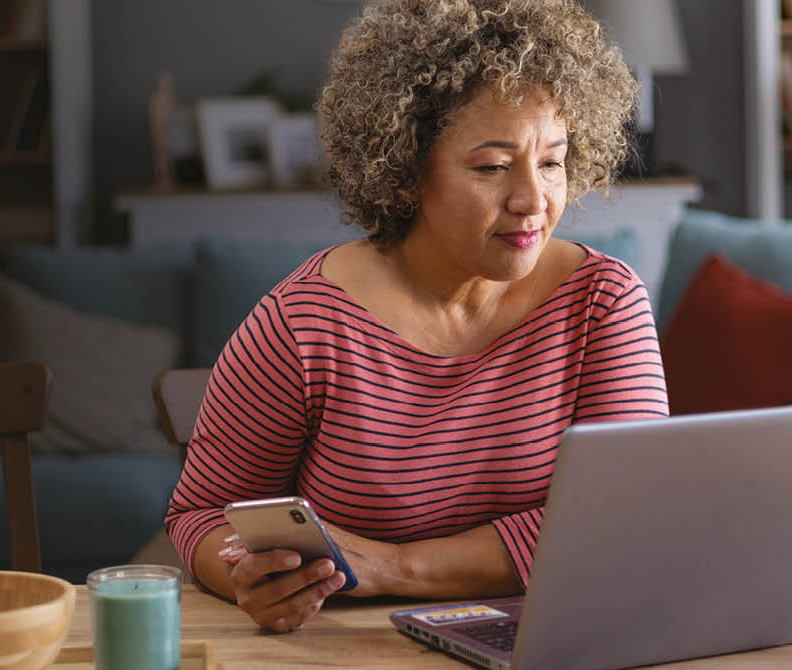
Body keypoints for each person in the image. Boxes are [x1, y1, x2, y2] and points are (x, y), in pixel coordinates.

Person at [163, 0, 669, 633]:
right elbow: (205, 515)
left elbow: (627, 520)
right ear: (404, 172)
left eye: (552, 162)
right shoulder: (302, 324)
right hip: (347, 648)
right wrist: (247, 574)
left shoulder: (603, 302)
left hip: (548, 640)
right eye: (491, 167)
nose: (533, 200)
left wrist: (398, 567)